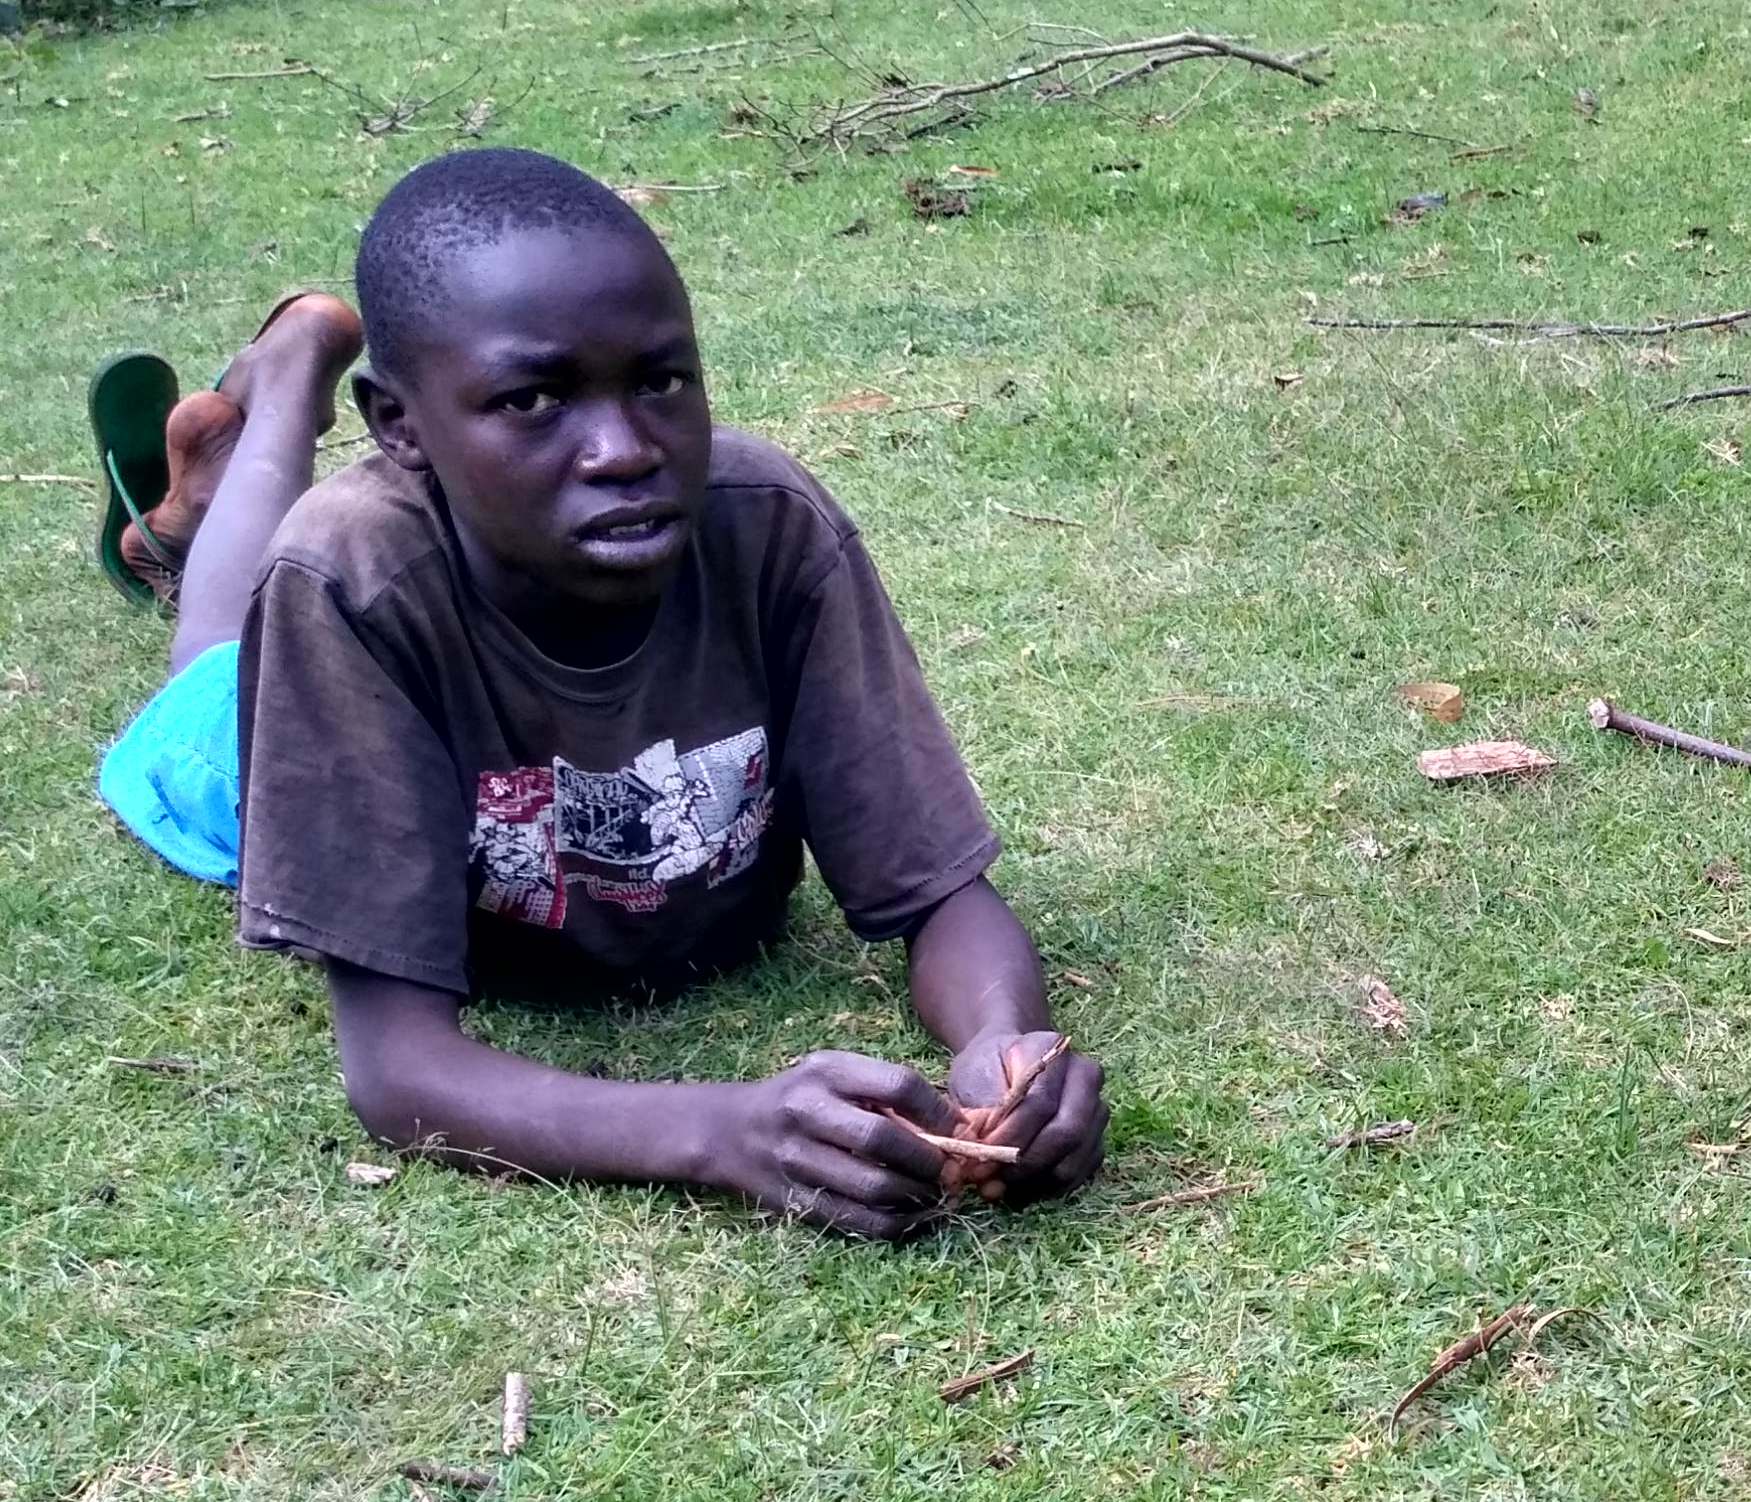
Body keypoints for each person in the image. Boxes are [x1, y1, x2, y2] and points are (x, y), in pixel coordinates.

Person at [84, 148, 1103, 1234]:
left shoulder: (768, 527)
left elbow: (940, 893)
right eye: (532, 399)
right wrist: (724, 1131)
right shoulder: (348, 586)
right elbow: (397, 1068)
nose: (623, 451)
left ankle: (251, 428)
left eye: (661, 382)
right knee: (214, 655)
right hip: (263, 733)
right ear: (399, 424)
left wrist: (1003, 1043)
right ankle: (284, 386)